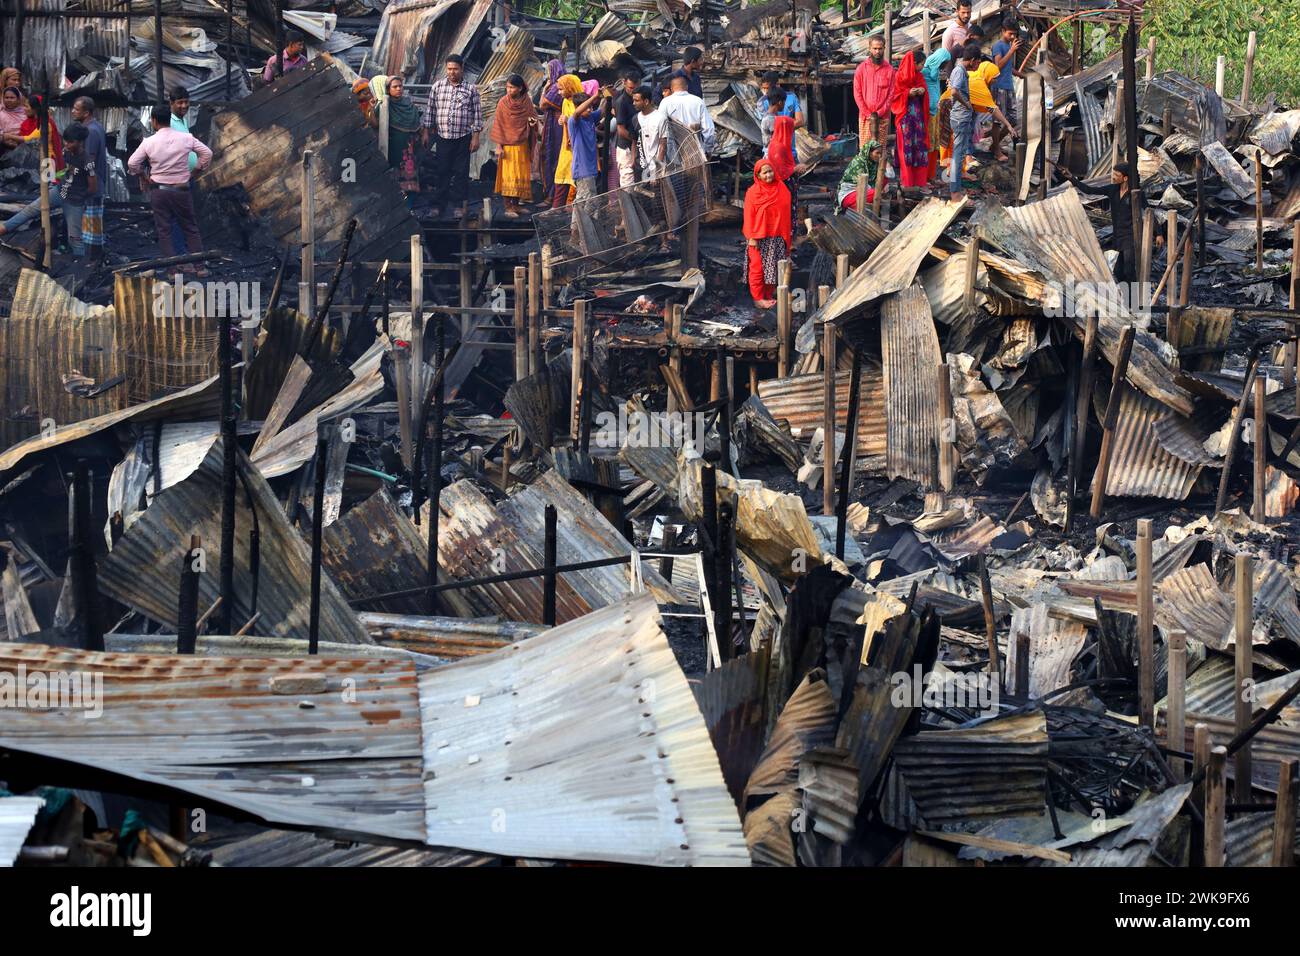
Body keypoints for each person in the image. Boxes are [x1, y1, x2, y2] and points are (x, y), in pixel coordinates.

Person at [127, 104, 212, 258]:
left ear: (153, 121)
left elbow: (132, 163)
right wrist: (194, 172)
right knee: (190, 227)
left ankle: (173, 270)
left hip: (159, 191)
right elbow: (207, 153)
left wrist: (143, 177)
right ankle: (199, 266)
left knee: (164, 230)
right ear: (169, 119)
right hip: (181, 189)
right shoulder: (186, 138)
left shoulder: (148, 142)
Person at [1056, 161, 1142, 283]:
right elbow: (1090, 190)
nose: (1113, 177)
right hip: (1118, 236)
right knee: (1118, 272)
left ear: (1125, 178)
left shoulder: (1136, 194)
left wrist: (1158, 234)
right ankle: (1127, 297)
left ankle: (1134, 299)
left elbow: (1147, 210)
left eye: (1117, 175)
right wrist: (1071, 178)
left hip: (1130, 235)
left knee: (1128, 270)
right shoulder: (1112, 189)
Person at [422, 54, 482, 220]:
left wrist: (475, 137)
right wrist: (426, 132)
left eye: (455, 69)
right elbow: (430, 111)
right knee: (442, 171)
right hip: (443, 137)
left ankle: (458, 206)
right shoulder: (438, 87)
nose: (452, 72)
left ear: (462, 69)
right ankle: (437, 206)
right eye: (449, 69)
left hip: (463, 137)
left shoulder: (471, 90)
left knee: (461, 173)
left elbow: (477, 115)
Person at [743, 158, 792, 309]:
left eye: (770, 171)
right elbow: (748, 216)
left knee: (773, 268)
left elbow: (786, 213)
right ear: (757, 175)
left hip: (776, 236)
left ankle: (768, 296)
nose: (768, 175)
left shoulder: (781, 188)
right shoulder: (752, 193)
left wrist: (786, 237)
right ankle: (758, 299)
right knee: (757, 268)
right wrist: (751, 237)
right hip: (758, 237)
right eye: (764, 173)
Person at [492, 73, 539, 217]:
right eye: (507, 87)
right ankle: (508, 207)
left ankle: (517, 205)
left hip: (522, 143)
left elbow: (533, 118)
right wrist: (499, 146)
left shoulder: (527, 102)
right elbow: (499, 125)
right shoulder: (503, 103)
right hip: (508, 145)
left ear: (520, 88)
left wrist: (532, 123)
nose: (509, 90)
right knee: (509, 177)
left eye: (512, 87)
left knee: (521, 176)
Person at [69, 96, 106, 261]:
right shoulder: (95, 126)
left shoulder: (89, 131)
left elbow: (88, 160)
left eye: (76, 109)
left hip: (91, 184)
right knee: (94, 223)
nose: (73, 111)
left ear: (86, 112)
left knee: (89, 224)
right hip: (95, 183)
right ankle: (94, 259)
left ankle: (89, 261)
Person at [891, 50, 930, 190]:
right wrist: (907, 93)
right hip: (905, 118)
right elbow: (894, 96)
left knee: (919, 147)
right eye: (921, 64)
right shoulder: (899, 76)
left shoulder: (919, 76)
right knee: (906, 148)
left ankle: (920, 181)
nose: (922, 67)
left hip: (918, 117)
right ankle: (907, 181)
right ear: (914, 63)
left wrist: (922, 91)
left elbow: (925, 90)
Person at [567, 80, 607, 205]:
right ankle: (579, 225)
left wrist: (606, 94)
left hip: (591, 168)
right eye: (587, 107)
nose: (589, 110)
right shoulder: (574, 122)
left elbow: (602, 111)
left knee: (587, 200)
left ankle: (580, 224)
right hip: (583, 169)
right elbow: (578, 112)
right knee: (586, 200)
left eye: (591, 107)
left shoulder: (590, 117)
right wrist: (595, 96)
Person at [384, 75, 422, 203]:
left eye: (400, 86)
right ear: (388, 89)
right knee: (393, 178)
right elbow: (376, 122)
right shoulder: (385, 105)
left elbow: (416, 122)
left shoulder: (408, 104)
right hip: (393, 148)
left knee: (410, 176)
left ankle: (409, 205)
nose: (399, 89)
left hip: (409, 149)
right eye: (395, 87)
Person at [853, 35, 895, 151]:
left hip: (883, 118)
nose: (877, 51)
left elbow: (891, 95)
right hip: (865, 118)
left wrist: (879, 113)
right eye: (875, 48)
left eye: (880, 48)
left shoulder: (890, 70)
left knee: (879, 152)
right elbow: (857, 94)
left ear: (884, 48)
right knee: (865, 152)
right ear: (870, 48)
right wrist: (868, 114)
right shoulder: (861, 69)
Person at [947, 42, 977, 200]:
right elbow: (954, 91)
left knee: (958, 154)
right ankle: (955, 193)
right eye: (977, 62)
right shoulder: (959, 70)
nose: (977, 65)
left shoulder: (959, 69)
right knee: (958, 156)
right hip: (960, 117)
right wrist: (967, 104)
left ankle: (956, 189)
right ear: (972, 60)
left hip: (960, 117)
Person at [766, 115, 803, 246]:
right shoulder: (779, 147)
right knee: (786, 216)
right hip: (784, 186)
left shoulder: (779, 143)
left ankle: (788, 244)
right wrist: (796, 168)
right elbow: (780, 171)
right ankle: (786, 247)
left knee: (787, 215)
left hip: (785, 185)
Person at [990, 20, 1022, 163]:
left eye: (1014, 34)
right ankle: (996, 151)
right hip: (999, 87)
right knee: (997, 121)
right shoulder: (998, 46)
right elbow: (998, 66)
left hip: (1009, 86)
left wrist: (1023, 76)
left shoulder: (1009, 45)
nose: (1012, 37)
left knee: (1013, 119)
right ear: (1003, 31)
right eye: (1010, 34)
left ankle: (993, 145)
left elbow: (1009, 67)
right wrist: (1011, 51)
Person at [659, 73, 715, 153]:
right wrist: (707, 150)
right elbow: (709, 130)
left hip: (673, 154)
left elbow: (660, 129)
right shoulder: (698, 101)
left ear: (671, 88)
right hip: (696, 154)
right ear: (687, 87)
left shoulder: (665, 102)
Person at [551, 74, 583, 207]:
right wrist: (562, 120)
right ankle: (557, 206)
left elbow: (582, 120)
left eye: (561, 89)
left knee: (574, 175)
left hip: (578, 145)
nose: (559, 93)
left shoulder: (580, 101)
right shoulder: (565, 102)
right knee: (562, 172)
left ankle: (569, 207)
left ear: (569, 88)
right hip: (567, 144)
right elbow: (566, 118)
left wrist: (568, 119)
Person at [921, 47, 952, 181]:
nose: (945, 67)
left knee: (934, 144)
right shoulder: (924, 72)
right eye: (944, 63)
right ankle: (924, 175)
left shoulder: (935, 73)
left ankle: (931, 174)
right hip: (926, 114)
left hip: (935, 112)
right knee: (927, 144)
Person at [538, 59, 565, 199]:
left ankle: (551, 196)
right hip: (555, 124)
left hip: (556, 127)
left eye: (549, 70)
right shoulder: (562, 85)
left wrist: (544, 89)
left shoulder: (556, 87)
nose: (548, 74)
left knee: (552, 157)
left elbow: (542, 104)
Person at [838, 139, 884, 210]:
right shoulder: (859, 162)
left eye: (881, 153)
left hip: (862, 192)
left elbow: (889, 175)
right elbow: (860, 186)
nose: (879, 156)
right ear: (869, 152)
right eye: (877, 153)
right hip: (848, 194)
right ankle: (857, 207)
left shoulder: (872, 163)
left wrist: (887, 165)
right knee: (876, 193)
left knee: (882, 183)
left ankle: (863, 206)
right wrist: (878, 191)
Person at [633, 85, 667, 180]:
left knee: (656, 193)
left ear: (646, 101)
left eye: (637, 100)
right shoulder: (636, 118)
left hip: (654, 168)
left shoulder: (660, 118)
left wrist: (656, 171)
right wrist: (633, 161)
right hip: (640, 166)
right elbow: (634, 141)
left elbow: (662, 145)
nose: (633, 103)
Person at [613, 70, 640, 188]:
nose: (632, 90)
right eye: (630, 87)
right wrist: (635, 140)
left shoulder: (639, 97)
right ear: (624, 83)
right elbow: (621, 130)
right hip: (626, 147)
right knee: (627, 181)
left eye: (635, 87)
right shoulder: (621, 101)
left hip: (638, 146)